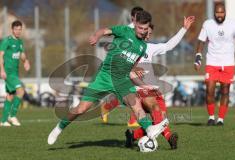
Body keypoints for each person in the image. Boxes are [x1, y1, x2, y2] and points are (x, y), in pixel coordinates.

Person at [47, 10, 169, 145]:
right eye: (140, 28)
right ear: (134, 24)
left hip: (122, 80)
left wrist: (142, 84)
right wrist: (96, 36)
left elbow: (130, 68)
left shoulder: (142, 46)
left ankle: (149, 129)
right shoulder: (123, 31)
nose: (142, 31)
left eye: (145, 29)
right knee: (81, 109)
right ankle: (60, 127)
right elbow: (104, 31)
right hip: (104, 76)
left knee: (137, 106)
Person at [100, 16, 195, 149]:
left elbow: (169, 45)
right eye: (146, 32)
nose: (148, 35)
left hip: (154, 89)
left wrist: (184, 29)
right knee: (156, 111)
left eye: (150, 33)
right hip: (139, 89)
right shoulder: (129, 46)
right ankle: (169, 138)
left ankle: (132, 136)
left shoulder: (149, 47)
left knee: (159, 119)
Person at [194, 2, 235, 126]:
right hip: (212, 61)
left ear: (225, 12)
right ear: (214, 13)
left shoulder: (233, 24)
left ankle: (220, 119)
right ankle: (210, 117)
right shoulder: (207, 24)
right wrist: (198, 58)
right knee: (209, 89)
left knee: (225, 91)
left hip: (228, 62)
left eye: (222, 12)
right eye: (217, 12)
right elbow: (201, 41)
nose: (219, 15)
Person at [0, 20, 30, 127]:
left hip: (15, 72)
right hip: (8, 72)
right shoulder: (6, 41)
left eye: (20, 29)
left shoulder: (20, 42)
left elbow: (21, 54)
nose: (18, 31)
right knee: (21, 91)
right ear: (12, 29)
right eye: (16, 29)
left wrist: (25, 61)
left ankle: (3, 121)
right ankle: (12, 115)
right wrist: (2, 70)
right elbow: (0, 55)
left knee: (10, 95)